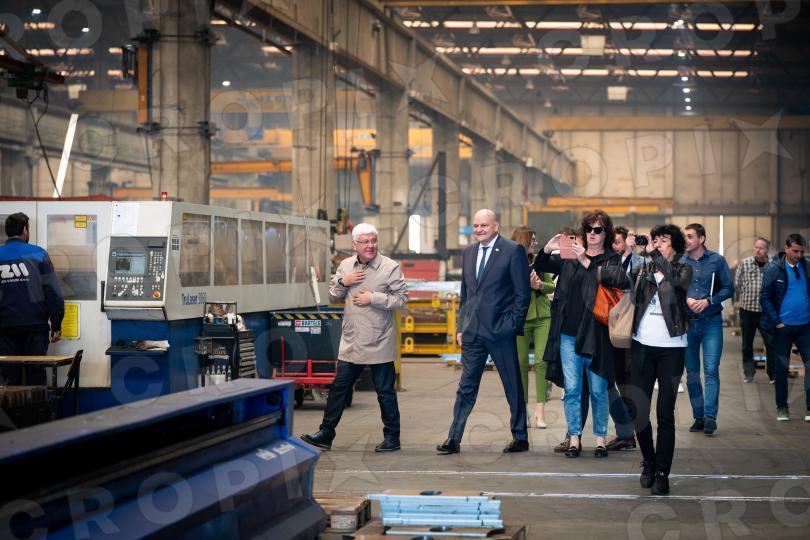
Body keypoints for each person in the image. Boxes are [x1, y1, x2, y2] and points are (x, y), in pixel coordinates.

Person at [301, 223, 407, 452]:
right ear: (354, 245)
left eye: (373, 240)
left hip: (379, 341)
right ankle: (326, 434)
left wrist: (374, 298)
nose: (370, 245)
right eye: (365, 241)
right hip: (352, 341)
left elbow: (401, 300)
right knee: (338, 389)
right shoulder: (345, 266)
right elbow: (332, 296)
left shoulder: (389, 267)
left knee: (385, 393)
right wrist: (344, 282)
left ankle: (392, 438)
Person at [535, 210, 629, 458]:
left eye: (598, 230)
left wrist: (585, 260)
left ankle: (600, 439)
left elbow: (618, 280)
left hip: (597, 335)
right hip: (568, 334)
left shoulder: (611, 259)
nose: (592, 234)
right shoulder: (570, 255)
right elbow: (541, 265)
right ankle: (574, 438)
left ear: (606, 234)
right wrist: (548, 248)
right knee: (572, 390)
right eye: (589, 229)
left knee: (598, 390)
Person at [437, 209, 531, 454]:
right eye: (476, 226)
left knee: (512, 385)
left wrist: (511, 325)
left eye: (484, 226)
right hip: (473, 332)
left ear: (495, 226)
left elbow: (522, 294)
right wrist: (461, 327)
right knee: (466, 387)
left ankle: (520, 437)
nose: (479, 230)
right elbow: (466, 294)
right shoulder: (468, 253)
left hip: (501, 332)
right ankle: (453, 438)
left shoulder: (512, 251)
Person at [628, 225, 692, 496]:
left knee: (665, 413)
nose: (656, 245)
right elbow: (619, 279)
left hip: (672, 349)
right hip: (642, 346)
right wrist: (630, 251)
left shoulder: (684, 269)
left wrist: (653, 254)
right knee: (638, 410)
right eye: (654, 240)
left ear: (675, 246)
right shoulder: (642, 267)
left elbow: (676, 282)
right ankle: (649, 462)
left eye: (662, 241)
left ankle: (663, 473)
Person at [681, 223, 733, 436]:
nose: (686, 240)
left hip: (711, 322)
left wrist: (710, 300)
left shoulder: (717, 261)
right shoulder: (680, 261)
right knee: (692, 373)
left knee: (711, 370)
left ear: (701, 238)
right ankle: (699, 417)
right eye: (684, 236)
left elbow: (729, 288)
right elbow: (672, 289)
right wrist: (686, 299)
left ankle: (710, 416)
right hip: (687, 323)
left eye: (690, 236)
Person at [0, 213, 65, 385]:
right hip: (35, 328)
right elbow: (53, 292)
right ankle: (36, 403)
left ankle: (10, 403)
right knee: (35, 375)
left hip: (4, 329)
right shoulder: (38, 254)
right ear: (24, 230)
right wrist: (57, 324)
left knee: (8, 378)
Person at [760, 234, 810, 422]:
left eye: (802, 251)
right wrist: (777, 322)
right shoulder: (774, 269)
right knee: (781, 369)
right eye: (795, 251)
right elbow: (765, 297)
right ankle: (782, 408)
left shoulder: (807, 267)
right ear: (786, 248)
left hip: (805, 326)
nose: (799, 255)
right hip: (783, 328)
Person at [511, 226, 555, 428]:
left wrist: (540, 286)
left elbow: (551, 286)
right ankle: (523, 412)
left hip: (543, 317)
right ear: (524, 240)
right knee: (520, 364)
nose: (535, 243)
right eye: (533, 240)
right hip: (520, 318)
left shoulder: (539, 261)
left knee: (541, 362)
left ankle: (540, 413)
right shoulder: (510, 260)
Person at [604, 225, 641, 452]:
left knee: (625, 383)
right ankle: (626, 432)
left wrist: (628, 253)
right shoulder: (606, 262)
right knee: (610, 383)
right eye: (613, 243)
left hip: (625, 332)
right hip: (605, 328)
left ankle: (628, 434)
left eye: (618, 243)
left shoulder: (639, 262)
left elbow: (630, 284)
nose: (615, 247)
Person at [735, 237, 775, 383]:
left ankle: (772, 374)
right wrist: (748, 293)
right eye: (756, 247)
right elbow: (737, 284)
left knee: (771, 343)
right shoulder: (745, 264)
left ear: (767, 250)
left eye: (761, 248)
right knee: (747, 345)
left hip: (766, 312)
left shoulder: (773, 266)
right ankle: (749, 373)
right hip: (748, 311)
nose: (757, 250)